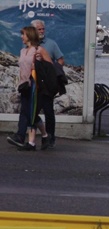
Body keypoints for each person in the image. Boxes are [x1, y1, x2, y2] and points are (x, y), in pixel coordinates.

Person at [13, 26, 52, 151]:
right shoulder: (22, 51)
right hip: (24, 85)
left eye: (23, 34)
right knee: (29, 113)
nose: (21, 37)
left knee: (31, 112)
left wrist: (39, 65)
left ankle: (32, 141)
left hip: (36, 86)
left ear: (29, 35)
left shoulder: (39, 50)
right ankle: (41, 137)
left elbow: (49, 67)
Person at [31, 19, 63, 149]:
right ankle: (32, 139)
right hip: (34, 84)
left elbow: (60, 60)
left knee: (49, 112)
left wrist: (53, 73)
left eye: (43, 29)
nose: (42, 31)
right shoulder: (29, 45)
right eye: (39, 29)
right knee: (32, 112)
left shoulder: (51, 44)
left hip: (47, 84)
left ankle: (50, 138)